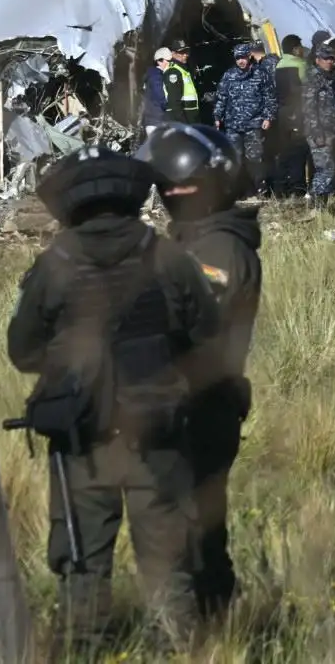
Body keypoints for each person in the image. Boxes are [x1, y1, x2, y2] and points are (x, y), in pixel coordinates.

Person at [7, 147, 220, 654]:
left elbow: (22, 350)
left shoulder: (54, 265)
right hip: (158, 436)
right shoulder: (168, 258)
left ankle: (85, 650)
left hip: (84, 440)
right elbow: (206, 335)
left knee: (82, 564)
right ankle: (177, 648)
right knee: (169, 566)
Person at [139, 125, 262, 623]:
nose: (171, 196)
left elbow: (188, 326)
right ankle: (219, 629)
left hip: (199, 408)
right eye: (165, 188)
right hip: (188, 405)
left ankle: (190, 638)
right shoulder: (198, 241)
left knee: (180, 539)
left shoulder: (218, 249)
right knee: (201, 537)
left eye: (181, 187)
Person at [213, 43, 276, 195]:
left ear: (249, 57)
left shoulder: (261, 74)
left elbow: (270, 98)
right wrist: (217, 116)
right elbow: (222, 97)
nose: (241, 61)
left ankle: (259, 190)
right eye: (238, 58)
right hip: (233, 125)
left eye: (243, 58)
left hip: (254, 124)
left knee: (254, 159)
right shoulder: (229, 76)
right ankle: (236, 191)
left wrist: (268, 117)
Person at [301, 44, 335, 201]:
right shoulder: (313, 79)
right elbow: (309, 108)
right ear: (318, 60)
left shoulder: (329, 78)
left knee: (328, 168)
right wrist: (317, 132)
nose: (330, 62)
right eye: (326, 59)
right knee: (326, 168)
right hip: (319, 132)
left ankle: (319, 200)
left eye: (332, 59)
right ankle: (316, 202)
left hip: (330, 131)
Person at [272, 34, 310, 197]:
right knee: (299, 151)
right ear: (295, 49)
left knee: (284, 151)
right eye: (300, 46)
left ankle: (281, 188)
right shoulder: (301, 65)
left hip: (282, 113)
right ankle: (298, 188)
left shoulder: (279, 64)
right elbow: (308, 88)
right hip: (297, 111)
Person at [164, 41, 200, 124]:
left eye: (186, 51)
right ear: (173, 53)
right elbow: (174, 102)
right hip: (184, 120)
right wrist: (183, 124)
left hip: (191, 118)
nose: (185, 55)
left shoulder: (183, 69)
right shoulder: (173, 72)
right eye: (181, 52)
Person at [143, 47, 175, 132]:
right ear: (159, 61)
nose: (171, 64)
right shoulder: (156, 76)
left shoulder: (158, 75)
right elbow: (160, 96)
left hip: (157, 120)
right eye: (168, 61)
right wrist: (170, 107)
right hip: (156, 121)